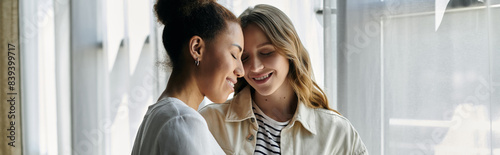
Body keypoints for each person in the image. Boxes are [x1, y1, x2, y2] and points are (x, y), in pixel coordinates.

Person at [199, 4, 368, 155]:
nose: (255, 67)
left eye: (266, 53)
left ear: (290, 52)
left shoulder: (337, 133)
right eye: (243, 58)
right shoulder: (210, 122)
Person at [131, 0, 244, 154]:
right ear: (197, 48)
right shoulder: (183, 121)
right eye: (234, 55)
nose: (241, 70)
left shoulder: (157, 116)